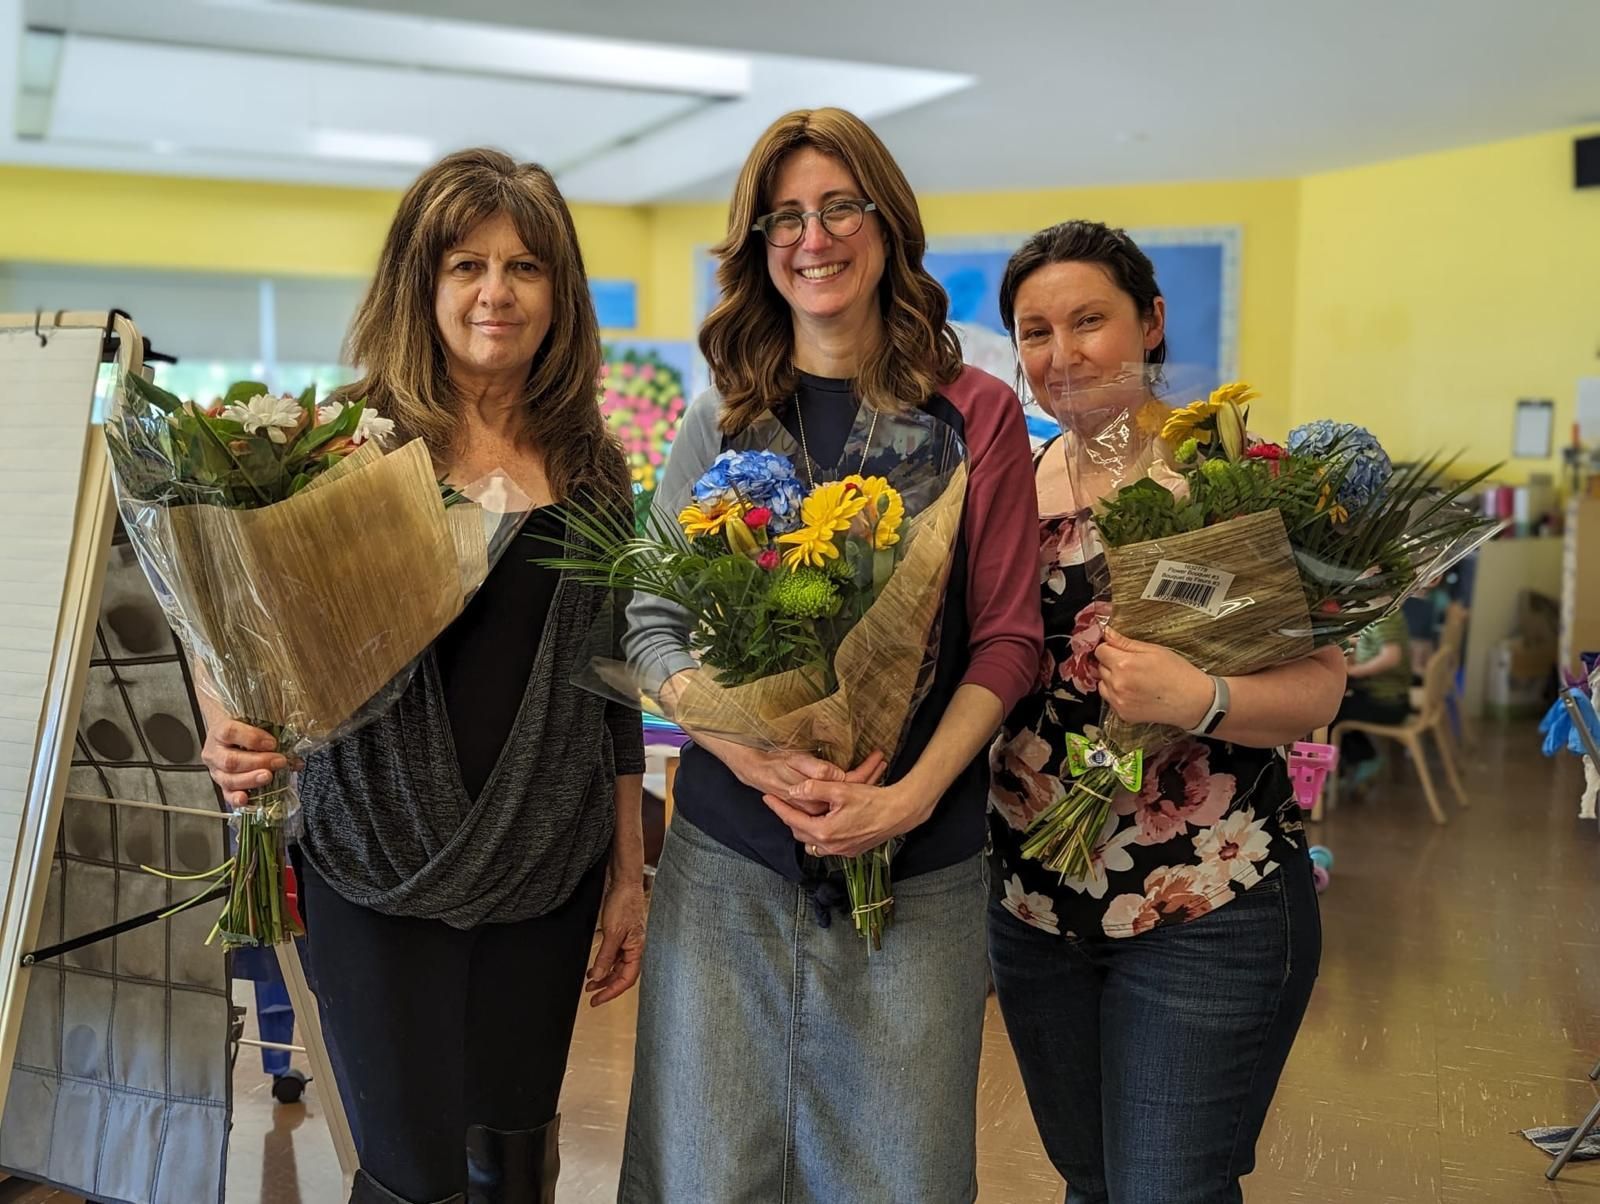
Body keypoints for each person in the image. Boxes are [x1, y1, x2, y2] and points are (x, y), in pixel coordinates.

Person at [198, 148, 645, 1204]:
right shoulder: (348, 446)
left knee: (513, 1161)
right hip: (374, 864)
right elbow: (239, 625)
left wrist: (628, 875)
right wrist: (225, 724)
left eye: (526, 267)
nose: (497, 291)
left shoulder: (592, 464)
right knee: (412, 1174)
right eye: (466, 264)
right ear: (422, 281)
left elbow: (610, 689)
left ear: (559, 293)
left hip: (546, 869)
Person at [618, 108, 1042, 1203]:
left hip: (921, 860)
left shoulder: (974, 415)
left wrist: (903, 799)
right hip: (729, 862)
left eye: (840, 207)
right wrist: (754, 758)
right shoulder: (718, 419)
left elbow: (1004, 637)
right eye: (786, 217)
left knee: (897, 1171)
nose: (815, 237)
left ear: (886, 224)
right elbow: (649, 624)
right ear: (759, 245)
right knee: (710, 1165)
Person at [987, 219, 1344, 1204]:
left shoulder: (1223, 481)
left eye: (1089, 319)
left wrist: (1201, 697)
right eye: (1034, 330)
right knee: (1091, 1183)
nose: (1062, 353)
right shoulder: (1004, 489)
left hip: (1203, 900)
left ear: (1151, 323)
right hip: (1034, 905)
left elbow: (1320, 686)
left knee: (1165, 1189)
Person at [1338, 610, 1412, 789]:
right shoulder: (1389, 612)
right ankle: (1354, 763)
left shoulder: (1383, 616)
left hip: (1387, 703)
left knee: (1331, 711)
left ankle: (1365, 758)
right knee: (1340, 706)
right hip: (1393, 698)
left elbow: (1391, 657)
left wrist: (1354, 671)